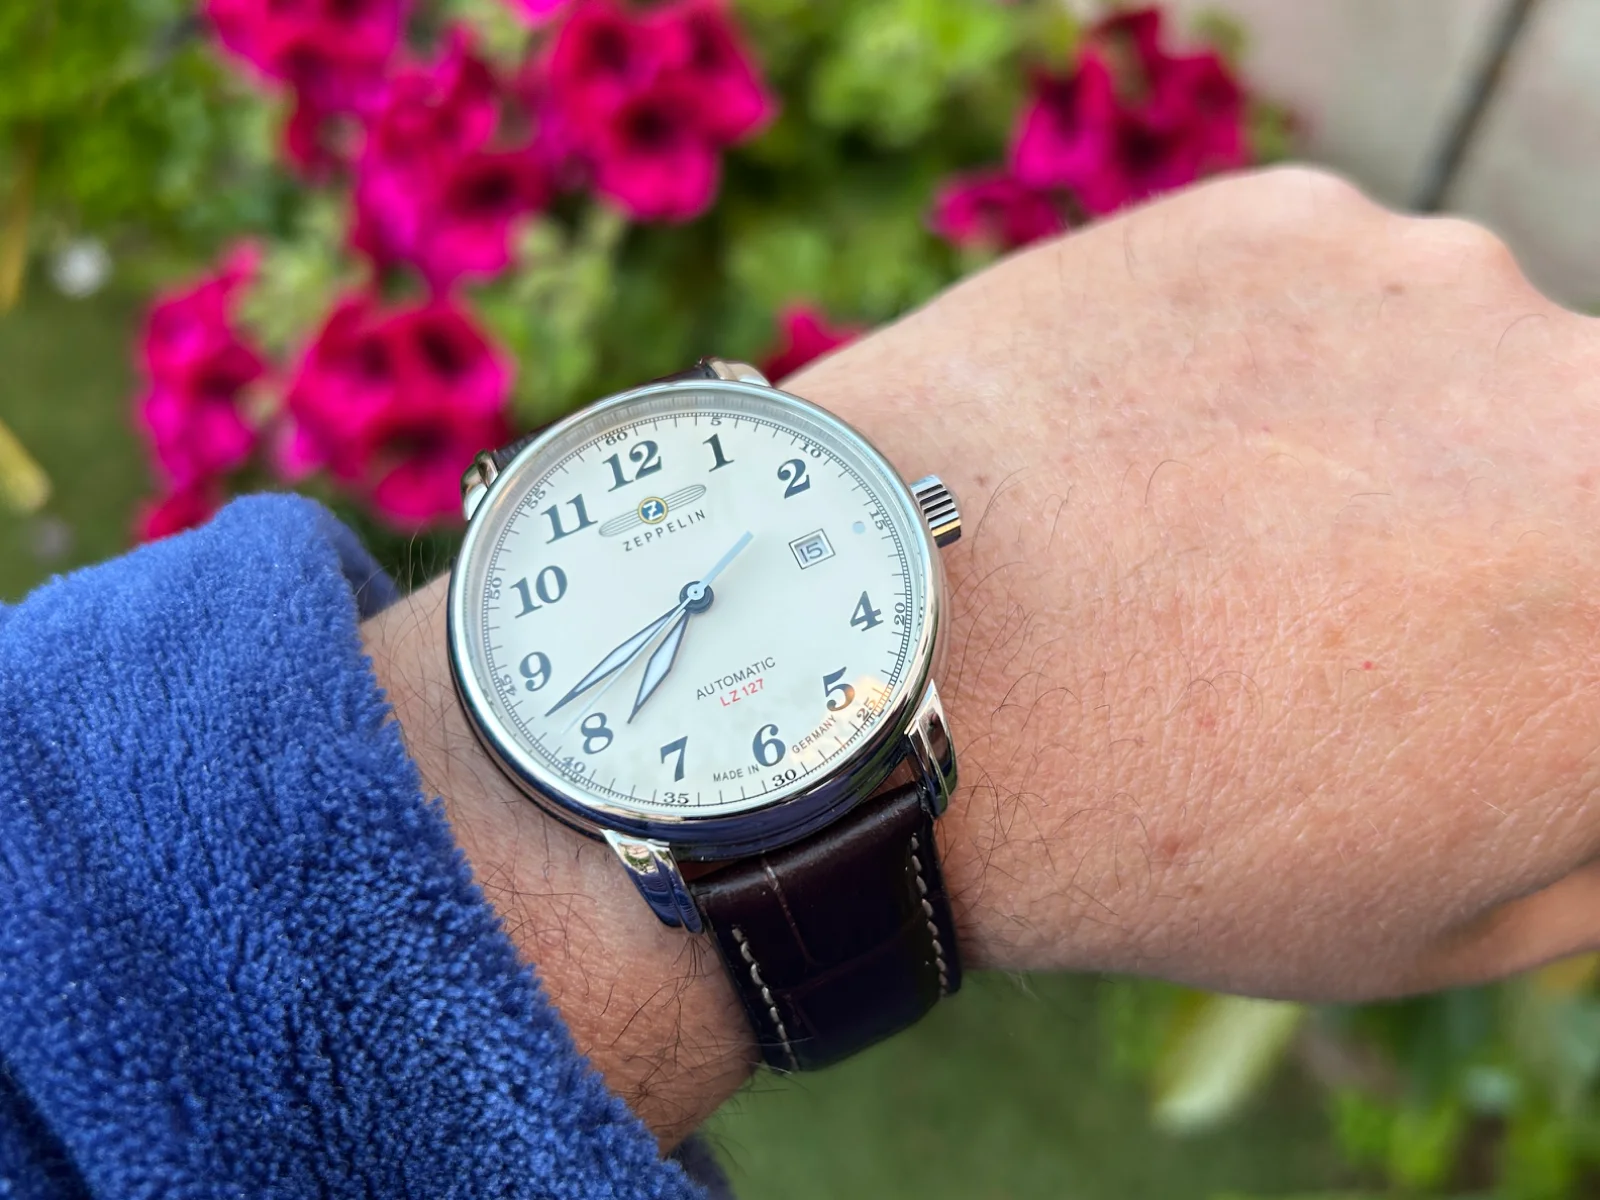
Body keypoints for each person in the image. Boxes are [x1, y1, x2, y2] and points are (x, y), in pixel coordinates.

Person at [4, 166, 1600, 1196]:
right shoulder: (639, 820)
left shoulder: (879, 609)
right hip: (665, 818)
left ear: (917, 517)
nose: (694, 593)